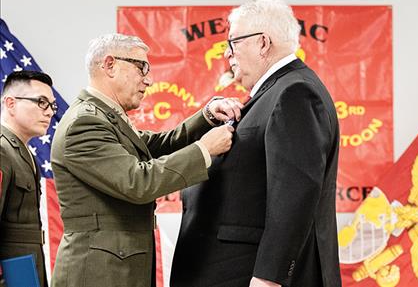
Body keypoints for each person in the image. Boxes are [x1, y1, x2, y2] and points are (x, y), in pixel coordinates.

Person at [171, 0, 342, 287]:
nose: (227, 54)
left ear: (263, 43)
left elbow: (294, 194)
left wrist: (268, 278)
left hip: (250, 276)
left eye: (233, 42)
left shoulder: (295, 93)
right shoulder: (276, 93)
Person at [50, 33, 242, 287]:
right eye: (141, 67)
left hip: (115, 267)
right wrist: (204, 150)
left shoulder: (106, 117)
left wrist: (206, 116)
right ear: (109, 65)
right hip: (98, 273)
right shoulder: (85, 123)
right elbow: (138, 182)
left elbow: (157, 145)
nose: (149, 80)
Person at [1, 70, 57, 287]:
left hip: (25, 272)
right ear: (11, 103)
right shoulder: (2, 149)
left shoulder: (23, 152)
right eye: (41, 102)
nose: (50, 112)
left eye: (52, 105)